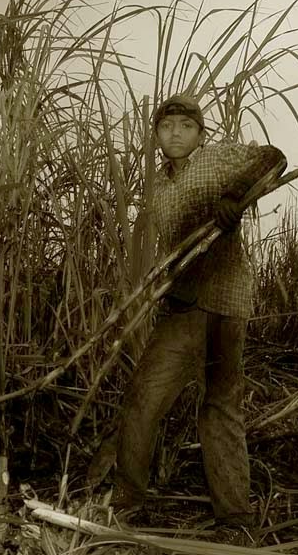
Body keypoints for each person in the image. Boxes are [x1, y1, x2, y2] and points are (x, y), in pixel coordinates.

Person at [110, 93, 286, 531]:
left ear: (200, 134)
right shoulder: (157, 185)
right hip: (183, 300)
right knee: (145, 400)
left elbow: (273, 157)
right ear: (156, 135)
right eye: (167, 127)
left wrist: (234, 192)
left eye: (186, 127)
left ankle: (235, 519)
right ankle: (129, 504)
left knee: (219, 404)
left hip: (224, 301)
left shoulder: (216, 158)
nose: (175, 133)